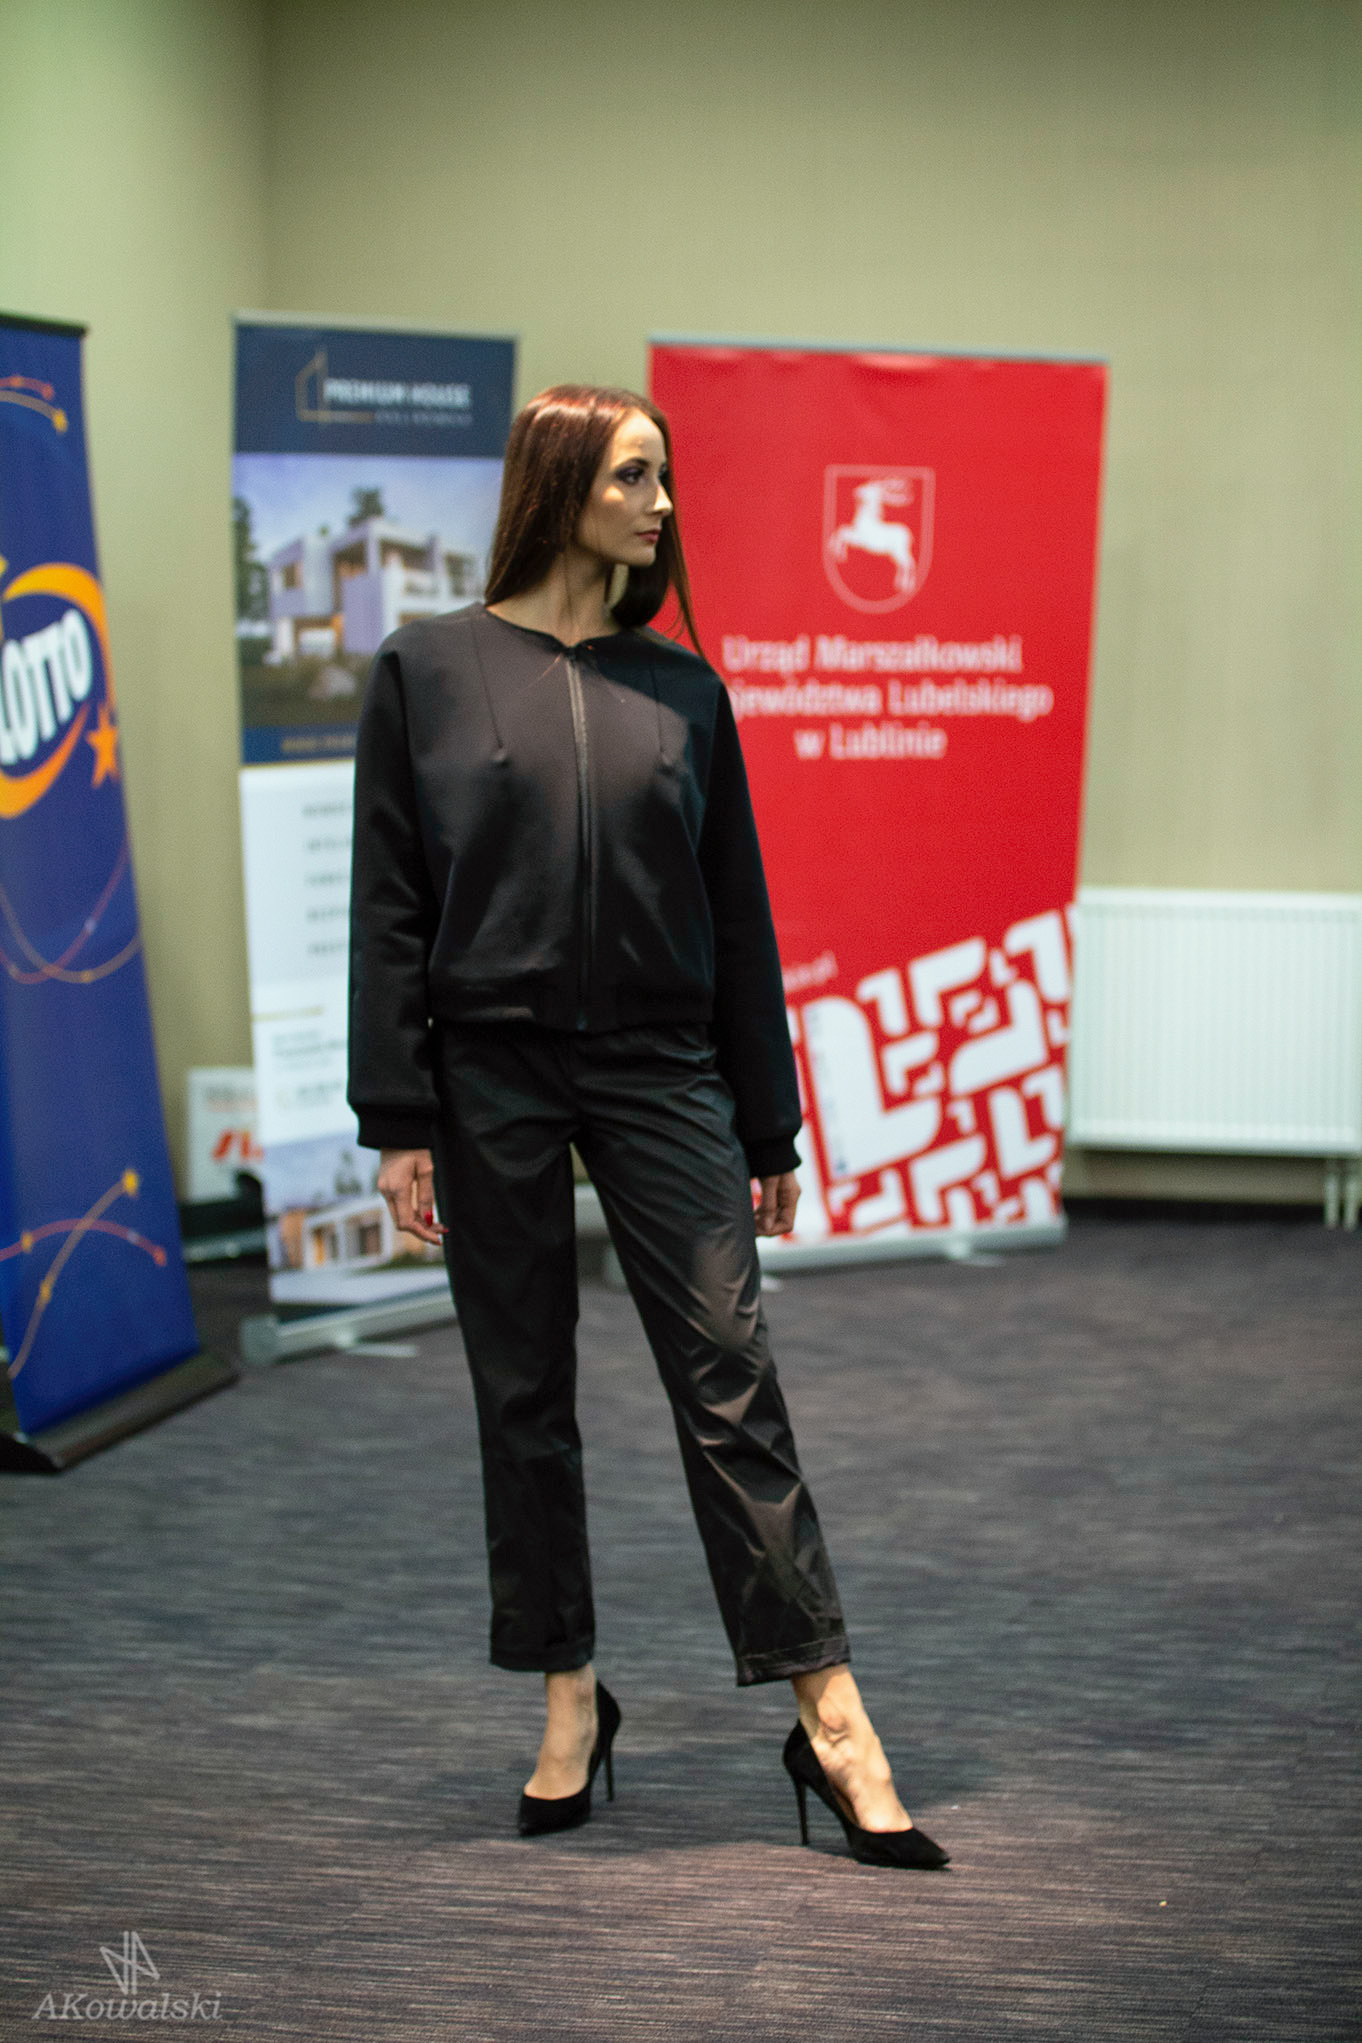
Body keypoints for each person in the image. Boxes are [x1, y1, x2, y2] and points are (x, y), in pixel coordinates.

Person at [347, 384, 947, 1870]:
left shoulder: (686, 690)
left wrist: (769, 1124)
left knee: (733, 1384)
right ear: (559, 484)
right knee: (522, 1394)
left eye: (662, 477)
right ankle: (568, 1696)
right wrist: (397, 1111)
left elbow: (738, 917)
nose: (661, 503)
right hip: (487, 1074)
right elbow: (389, 908)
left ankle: (830, 1717)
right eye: (633, 476)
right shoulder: (425, 671)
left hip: (662, 1069)